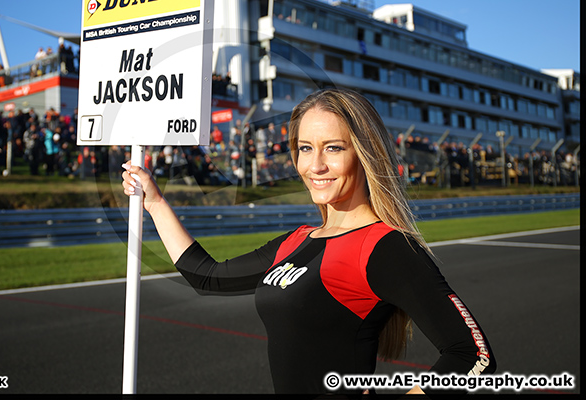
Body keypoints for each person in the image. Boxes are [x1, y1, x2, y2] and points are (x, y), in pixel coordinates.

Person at [122, 88, 496, 395]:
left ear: (364, 155)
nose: (315, 165)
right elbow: (206, 276)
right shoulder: (296, 242)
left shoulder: (384, 247)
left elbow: (472, 355)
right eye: (305, 148)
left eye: (333, 148)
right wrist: (155, 202)